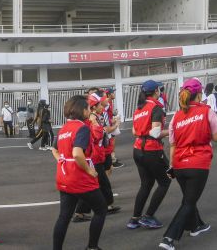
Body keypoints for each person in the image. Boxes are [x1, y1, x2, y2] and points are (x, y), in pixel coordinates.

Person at [158, 79, 217, 250]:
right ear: (199, 94)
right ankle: (169, 238)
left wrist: (171, 165)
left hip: (179, 164)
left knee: (189, 199)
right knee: (188, 202)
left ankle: (196, 226)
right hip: (198, 163)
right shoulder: (207, 112)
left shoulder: (176, 117)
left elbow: (172, 144)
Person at [50, 95, 106, 250]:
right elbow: (77, 153)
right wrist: (89, 170)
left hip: (64, 177)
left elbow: (54, 150)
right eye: (88, 107)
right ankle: (92, 247)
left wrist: (63, 162)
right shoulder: (82, 128)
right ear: (83, 110)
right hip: (80, 178)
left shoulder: (63, 129)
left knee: (64, 216)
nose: (90, 110)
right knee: (101, 209)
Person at [128, 80, 170, 230]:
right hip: (151, 150)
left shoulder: (139, 109)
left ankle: (134, 219)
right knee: (165, 182)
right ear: (156, 91)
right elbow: (155, 133)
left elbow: (134, 132)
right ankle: (148, 216)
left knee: (146, 184)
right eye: (159, 89)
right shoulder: (156, 107)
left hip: (138, 149)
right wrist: (172, 130)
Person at [73, 92, 120, 221]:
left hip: (97, 155)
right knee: (101, 184)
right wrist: (107, 129)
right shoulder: (92, 120)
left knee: (96, 184)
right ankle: (105, 206)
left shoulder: (95, 118)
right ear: (93, 107)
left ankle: (81, 212)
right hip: (94, 157)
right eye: (100, 104)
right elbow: (96, 137)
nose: (102, 107)